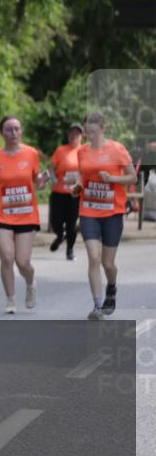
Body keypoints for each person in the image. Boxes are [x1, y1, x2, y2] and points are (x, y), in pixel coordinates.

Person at [70, 112, 137, 320]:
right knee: (93, 257)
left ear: (103, 129)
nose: (90, 136)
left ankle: (112, 286)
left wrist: (113, 178)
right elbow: (84, 175)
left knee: (108, 263)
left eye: (93, 132)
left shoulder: (117, 149)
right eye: (87, 132)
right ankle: (98, 305)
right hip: (89, 210)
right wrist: (79, 186)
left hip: (112, 212)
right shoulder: (82, 152)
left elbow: (132, 176)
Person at [0, 116, 49, 314]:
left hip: (26, 214)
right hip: (2, 214)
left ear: (21, 132)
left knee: (22, 261)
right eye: (8, 129)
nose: (13, 133)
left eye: (16, 129)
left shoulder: (31, 154)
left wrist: (42, 180)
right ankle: (11, 299)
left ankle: (30, 283)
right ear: (2, 132)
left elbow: (37, 181)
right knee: (6, 257)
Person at [48, 123, 84, 261]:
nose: (74, 136)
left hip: (75, 193)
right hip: (59, 191)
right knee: (55, 221)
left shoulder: (85, 151)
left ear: (82, 136)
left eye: (77, 134)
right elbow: (51, 169)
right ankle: (59, 235)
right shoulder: (61, 150)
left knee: (71, 223)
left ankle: (70, 249)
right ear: (68, 135)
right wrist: (54, 179)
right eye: (71, 133)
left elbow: (88, 171)